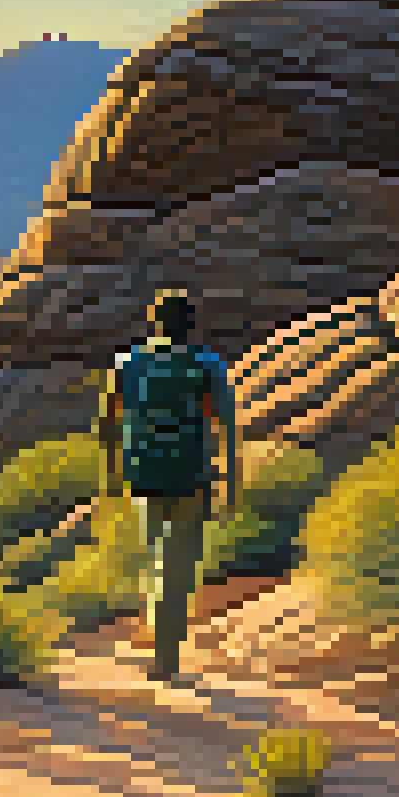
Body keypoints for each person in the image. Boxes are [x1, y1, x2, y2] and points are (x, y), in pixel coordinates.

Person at [96, 289, 242, 682]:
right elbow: (226, 426)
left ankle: (160, 651)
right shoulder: (206, 364)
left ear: (154, 323)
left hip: (143, 473)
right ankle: (166, 661)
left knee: (158, 560)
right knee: (177, 569)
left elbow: (108, 420)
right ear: (190, 325)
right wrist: (232, 482)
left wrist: (110, 476)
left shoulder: (128, 362)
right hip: (192, 475)